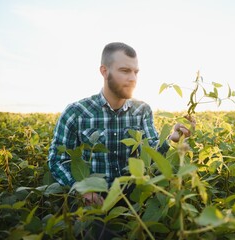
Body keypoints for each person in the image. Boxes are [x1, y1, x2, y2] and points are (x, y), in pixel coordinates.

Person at [48, 42, 193, 237]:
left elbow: (151, 151)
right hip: (94, 200)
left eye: (136, 72)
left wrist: (172, 139)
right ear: (104, 71)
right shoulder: (76, 112)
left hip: (133, 198)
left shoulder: (142, 110)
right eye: (125, 71)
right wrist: (82, 190)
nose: (132, 78)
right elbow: (57, 160)